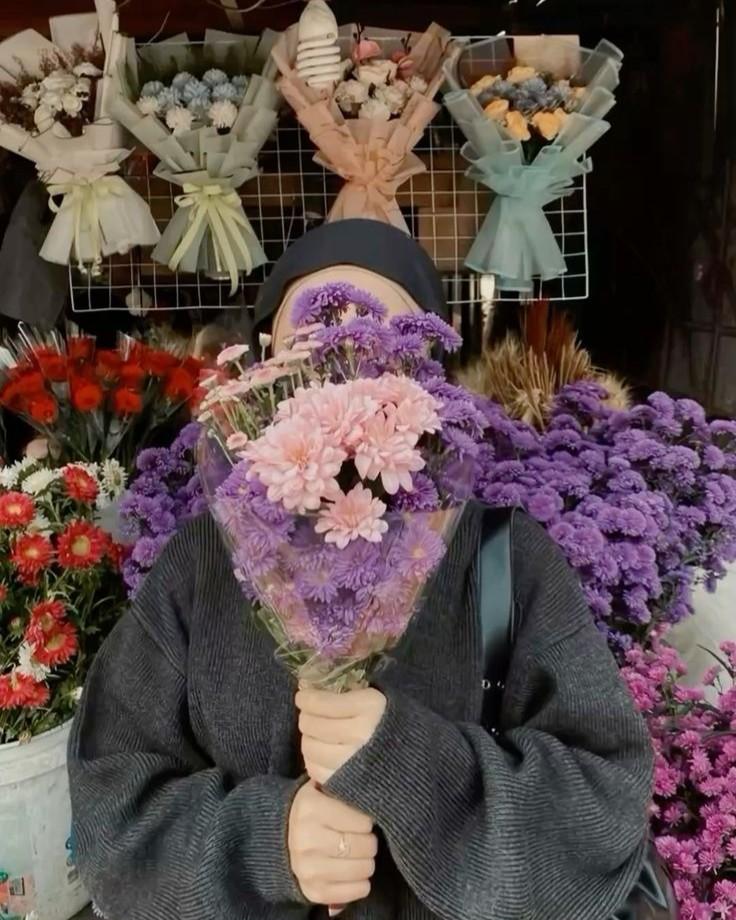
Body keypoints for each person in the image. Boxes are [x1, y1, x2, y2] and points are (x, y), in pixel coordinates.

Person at [68, 221, 653, 920]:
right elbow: (109, 811)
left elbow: (605, 809)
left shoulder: (507, 559)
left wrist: (409, 765)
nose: (339, 374)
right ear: (266, 364)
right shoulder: (203, 561)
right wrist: (266, 842)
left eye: (376, 343)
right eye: (312, 346)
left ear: (424, 366)